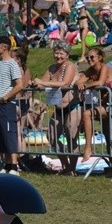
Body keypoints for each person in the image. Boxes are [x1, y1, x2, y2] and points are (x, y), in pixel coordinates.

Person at [32, 40, 79, 175]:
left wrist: (44, 82)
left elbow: (65, 83)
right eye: (56, 53)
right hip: (57, 108)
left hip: (72, 107)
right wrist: (35, 83)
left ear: (67, 55)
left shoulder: (70, 66)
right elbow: (42, 83)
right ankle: (65, 165)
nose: (58, 56)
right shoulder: (52, 68)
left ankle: (72, 168)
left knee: (71, 137)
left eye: (61, 53)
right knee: (52, 138)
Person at [0, 36, 23, 175]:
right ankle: (7, 163)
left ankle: (14, 164)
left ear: (4, 47)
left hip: (6, 103)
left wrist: (6, 96)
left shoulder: (12, 64)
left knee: (9, 133)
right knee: (0, 134)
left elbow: (19, 84)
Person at [76, 48, 112, 161]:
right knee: (107, 133)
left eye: (92, 57)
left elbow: (100, 82)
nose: (89, 59)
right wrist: (81, 84)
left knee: (86, 114)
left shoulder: (105, 67)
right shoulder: (90, 70)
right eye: (87, 57)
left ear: (99, 58)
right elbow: (78, 82)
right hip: (104, 104)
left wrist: (85, 86)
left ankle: (88, 148)